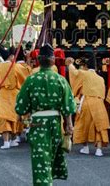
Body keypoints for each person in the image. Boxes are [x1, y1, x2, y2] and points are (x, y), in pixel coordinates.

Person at [15, 44, 76, 186]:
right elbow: (68, 106)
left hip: (38, 124)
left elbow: (21, 107)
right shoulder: (61, 80)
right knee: (51, 159)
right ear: (53, 60)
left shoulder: (31, 80)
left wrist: (26, 113)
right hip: (56, 125)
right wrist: (69, 125)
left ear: (38, 60)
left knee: (40, 162)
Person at [67, 54, 110, 157]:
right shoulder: (101, 79)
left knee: (83, 124)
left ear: (86, 66)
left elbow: (74, 73)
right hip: (99, 103)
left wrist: (70, 64)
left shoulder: (83, 74)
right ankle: (99, 150)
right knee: (99, 127)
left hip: (86, 101)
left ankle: (85, 147)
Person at [0, 46, 28, 149]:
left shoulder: (0, 67)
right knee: (14, 117)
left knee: (4, 118)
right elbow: (25, 77)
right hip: (14, 94)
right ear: (11, 56)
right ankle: (13, 139)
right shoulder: (16, 66)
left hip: (3, 93)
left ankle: (6, 142)